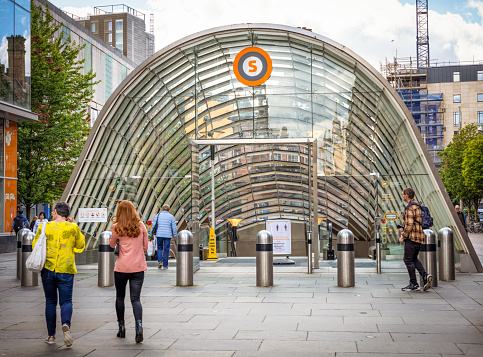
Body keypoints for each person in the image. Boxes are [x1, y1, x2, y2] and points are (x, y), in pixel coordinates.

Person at [32, 202, 85, 347]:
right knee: (66, 301)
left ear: (55, 212)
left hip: (48, 269)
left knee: (50, 302)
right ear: (67, 215)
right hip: (66, 269)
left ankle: (51, 336)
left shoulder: (45, 226)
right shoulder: (72, 227)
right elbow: (80, 245)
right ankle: (66, 324)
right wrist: (75, 227)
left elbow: (34, 245)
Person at [109, 200, 148, 343]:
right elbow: (145, 247)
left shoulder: (116, 227)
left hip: (121, 268)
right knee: (135, 299)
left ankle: (121, 328)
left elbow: (112, 244)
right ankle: (138, 327)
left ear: (119, 212)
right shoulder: (141, 226)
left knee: (120, 297)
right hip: (138, 268)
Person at [398, 188, 432, 292]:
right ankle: (425, 276)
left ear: (407, 195)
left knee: (407, 259)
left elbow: (409, 224)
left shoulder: (409, 208)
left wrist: (403, 236)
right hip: (419, 237)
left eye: (403, 194)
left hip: (411, 237)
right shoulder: (418, 206)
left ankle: (414, 283)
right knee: (413, 258)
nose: (402, 196)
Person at [151, 204, 177, 269]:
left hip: (159, 234)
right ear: (169, 209)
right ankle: (165, 265)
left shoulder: (157, 216)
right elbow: (174, 227)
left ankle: (160, 261)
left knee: (159, 248)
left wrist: (151, 233)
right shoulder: (171, 216)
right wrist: (175, 235)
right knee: (166, 249)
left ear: (162, 209)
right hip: (167, 235)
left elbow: (154, 225)